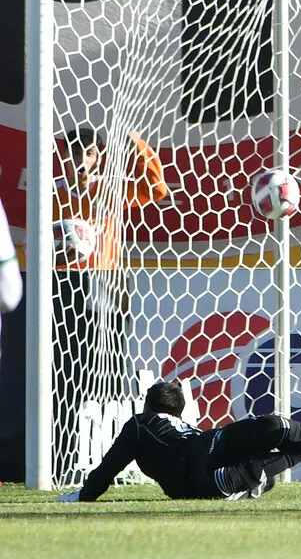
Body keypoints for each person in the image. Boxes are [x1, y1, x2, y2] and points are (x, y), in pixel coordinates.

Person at [52, 127, 169, 481]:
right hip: (63, 284)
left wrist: (138, 142)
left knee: (108, 370)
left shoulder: (111, 188)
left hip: (107, 282)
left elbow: (157, 188)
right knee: (64, 376)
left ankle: (113, 456)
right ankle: (62, 457)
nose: (80, 163)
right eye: (74, 156)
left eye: (87, 154)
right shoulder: (51, 192)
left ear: (97, 156)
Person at [56, 381, 301, 502]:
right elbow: (112, 464)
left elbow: (111, 464)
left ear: (149, 406)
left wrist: (85, 494)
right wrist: (85, 494)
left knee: (262, 450)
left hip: (199, 470)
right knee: (268, 433)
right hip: (200, 469)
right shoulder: (146, 425)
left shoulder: (145, 423)